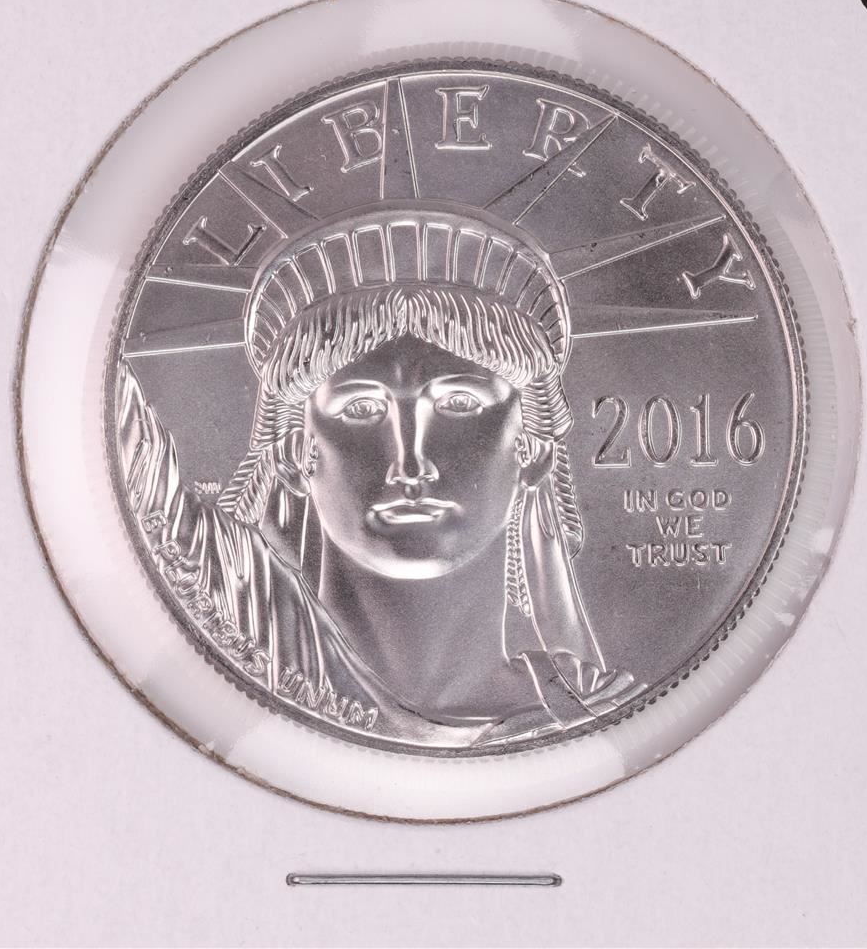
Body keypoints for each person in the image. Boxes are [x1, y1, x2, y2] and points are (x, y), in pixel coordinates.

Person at [116, 207, 642, 749]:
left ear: (531, 449)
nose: (410, 462)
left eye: (459, 403)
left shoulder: (598, 712)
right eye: (361, 409)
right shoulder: (250, 628)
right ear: (295, 453)